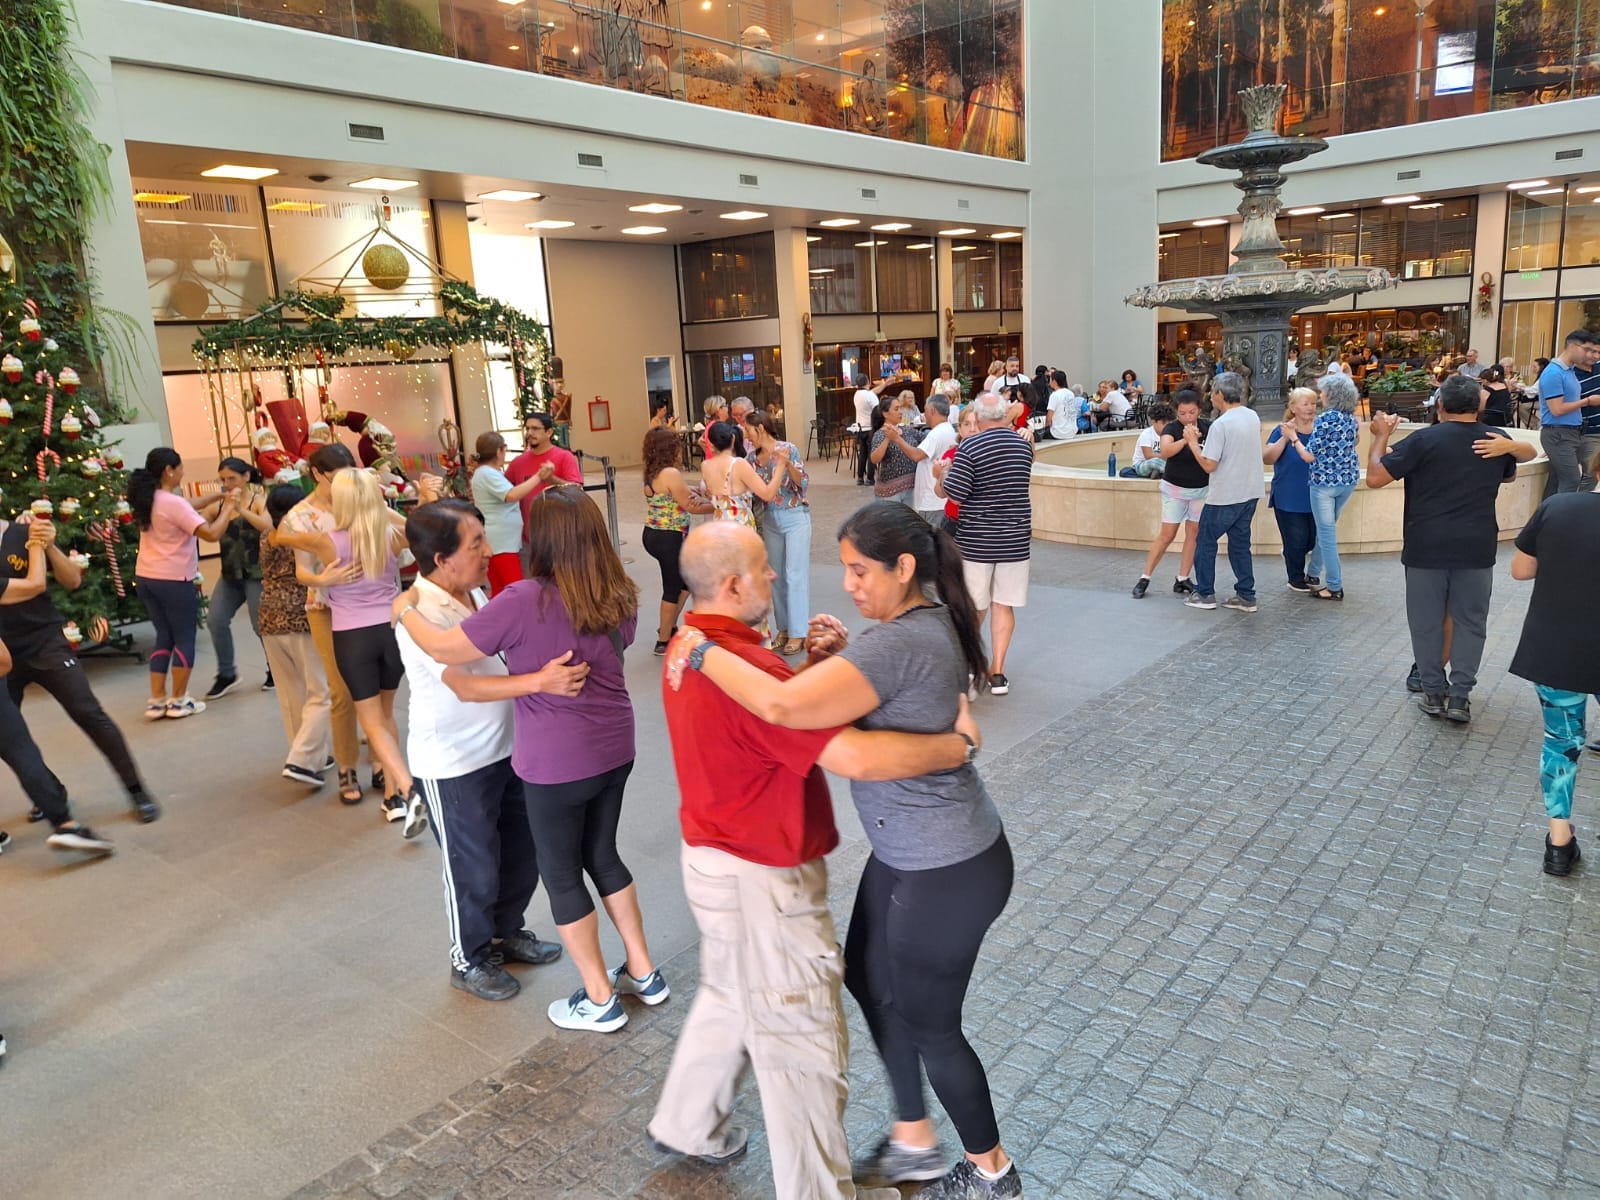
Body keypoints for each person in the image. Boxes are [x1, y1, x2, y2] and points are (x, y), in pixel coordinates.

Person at [665, 502, 1022, 1199]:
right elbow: (836, 698)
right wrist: (819, 664)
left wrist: (699, 650)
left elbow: (796, 717)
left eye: (860, 571)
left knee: (931, 1025)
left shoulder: (893, 642)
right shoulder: (914, 626)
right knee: (868, 976)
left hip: (944, 863)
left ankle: (991, 1171)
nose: (848, 584)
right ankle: (912, 1137)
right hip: (907, 854)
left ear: (904, 568)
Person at [397, 485, 665, 1034]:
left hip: (556, 761)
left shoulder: (522, 598)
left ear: (539, 539)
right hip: (615, 746)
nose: (490, 547)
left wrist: (403, 610)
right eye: (474, 541)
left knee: (561, 873)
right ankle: (644, 972)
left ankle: (599, 999)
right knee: (603, 855)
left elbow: (445, 650)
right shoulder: (617, 591)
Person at [396, 500, 585, 1000]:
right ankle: (470, 958)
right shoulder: (418, 612)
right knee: (473, 867)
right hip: (454, 763)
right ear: (442, 559)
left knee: (521, 854)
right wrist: (541, 681)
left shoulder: (475, 593)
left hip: (506, 751)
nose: (487, 551)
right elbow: (465, 686)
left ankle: (504, 932)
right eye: (475, 543)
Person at [1366, 375, 1538, 725]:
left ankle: (1432, 692)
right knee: (1471, 622)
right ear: (1480, 406)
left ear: (1440, 405)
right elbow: (1510, 473)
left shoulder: (1423, 440)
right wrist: (1509, 448)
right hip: (1476, 545)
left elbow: (1375, 477)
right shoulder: (1496, 439)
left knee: (1426, 621)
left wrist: (1381, 436)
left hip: (1425, 545)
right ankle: (1460, 697)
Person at [276, 468, 427, 835]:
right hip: (391, 633)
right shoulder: (390, 536)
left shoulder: (327, 541)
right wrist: (422, 498)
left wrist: (322, 578)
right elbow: (421, 528)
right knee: (386, 715)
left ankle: (408, 788)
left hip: (353, 638)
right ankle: (392, 798)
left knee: (371, 721)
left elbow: (280, 536)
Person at [0, 513, 158, 824]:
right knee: (6, 736)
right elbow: (33, 585)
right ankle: (48, 793)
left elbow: (72, 580)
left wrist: (49, 545)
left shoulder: (26, 532)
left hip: (45, 642)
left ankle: (136, 789)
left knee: (88, 712)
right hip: (3, 656)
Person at [1508, 448, 1600, 875]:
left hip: (1557, 646)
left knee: (1561, 743)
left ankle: (1559, 845)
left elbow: (1521, 570)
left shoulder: (1557, 507)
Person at [279, 443, 366, 804]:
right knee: (341, 690)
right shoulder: (301, 515)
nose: (345, 484)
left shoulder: (360, 500)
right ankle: (347, 767)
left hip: (369, 604)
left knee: (375, 686)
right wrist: (322, 579)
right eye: (337, 477)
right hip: (325, 607)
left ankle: (381, 763)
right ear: (317, 474)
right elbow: (302, 571)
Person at [128, 447, 239, 720]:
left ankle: (157, 701)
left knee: (164, 636)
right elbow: (211, 534)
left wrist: (219, 496)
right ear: (169, 471)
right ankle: (179, 700)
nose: (183, 472)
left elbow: (189, 504)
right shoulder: (173, 504)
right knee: (184, 638)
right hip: (174, 579)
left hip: (146, 577)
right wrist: (229, 508)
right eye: (180, 468)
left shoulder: (151, 498)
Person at [937, 392, 1033, 697]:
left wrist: (942, 476)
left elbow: (955, 495)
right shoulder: (1023, 446)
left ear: (977, 418)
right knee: (1003, 604)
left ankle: (968, 666)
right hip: (1015, 539)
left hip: (977, 541)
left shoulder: (971, 447)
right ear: (1003, 415)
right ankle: (998, 673)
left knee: (975, 606)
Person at [259, 484, 340, 789]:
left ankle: (308, 753)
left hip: (269, 617)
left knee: (290, 692)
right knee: (321, 691)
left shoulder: (267, 536)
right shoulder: (302, 537)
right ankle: (302, 759)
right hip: (301, 617)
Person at [1184, 372, 1263, 613]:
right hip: (1250, 491)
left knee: (1205, 542)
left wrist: (1192, 443)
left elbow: (1209, 464)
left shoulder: (1221, 424)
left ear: (1219, 393)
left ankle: (1205, 593)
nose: (1210, 395)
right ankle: (1246, 595)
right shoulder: (1251, 416)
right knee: (1240, 544)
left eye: (1212, 391)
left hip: (1225, 494)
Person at [197, 457, 268, 699]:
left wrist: (240, 509)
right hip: (229, 575)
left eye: (232, 478)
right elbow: (200, 525)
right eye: (223, 479)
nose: (227, 484)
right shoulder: (218, 507)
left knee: (261, 625)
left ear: (246, 477)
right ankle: (227, 673)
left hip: (257, 574)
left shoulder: (258, 501)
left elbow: (267, 526)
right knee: (215, 619)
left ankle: (275, 669)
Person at [641, 426, 713, 655]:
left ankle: (669, 625)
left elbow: (675, 493)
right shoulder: (671, 473)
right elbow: (691, 506)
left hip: (653, 533)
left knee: (685, 583)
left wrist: (694, 491)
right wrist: (721, 506)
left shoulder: (652, 471)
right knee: (672, 588)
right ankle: (663, 640)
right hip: (669, 537)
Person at [1131, 389, 1209, 598]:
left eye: (1192, 412)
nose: (1188, 417)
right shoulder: (1172, 428)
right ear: (1176, 412)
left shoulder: (1208, 427)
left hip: (1201, 489)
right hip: (1175, 489)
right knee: (1168, 534)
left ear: (1199, 410)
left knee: (1194, 533)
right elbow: (1165, 452)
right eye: (1182, 413)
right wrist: (1186, 440)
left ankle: (1183, 577)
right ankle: (1145, 577)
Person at [746, 410, 812, 656]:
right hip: (769, 519)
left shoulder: (787, 449)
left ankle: (798, 633)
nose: (747, 437)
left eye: (748, 431)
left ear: (760, 428)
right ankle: (783, 628)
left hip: (795, 517)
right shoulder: (751, 459)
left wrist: (787, 463)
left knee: (795, 575)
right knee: (776, 578)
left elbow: (802, 482)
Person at [1305, 372, 1362, 602]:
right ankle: (1313, 572)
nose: (1321, 396)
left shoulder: (1325, 419)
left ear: (1332, 394)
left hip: (1324, 483)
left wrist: (1293, 438)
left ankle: (1334, 586)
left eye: (1323, 392)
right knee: (1325, 529)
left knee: (1327, 534)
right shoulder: (1351, 419)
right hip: (1347, 480)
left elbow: (1309, 454)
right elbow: (1355, 441)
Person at [469, 432, 544, 595]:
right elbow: (511, 495)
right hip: (500, 543)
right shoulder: (486, 473)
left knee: (501, 589)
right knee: (515, 589)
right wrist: (539, 476)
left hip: (501, 541)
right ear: (498, 451)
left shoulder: (489, 472)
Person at [1262, 388, 1317, 593]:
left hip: (1316, 495)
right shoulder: (1281, 430)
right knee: (1297, 539)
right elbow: (1268, 458)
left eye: (1313, 403)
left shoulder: (1321, 428)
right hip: (1289, 495)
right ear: (1293, 407)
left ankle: (1291, 553)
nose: (1310, 408)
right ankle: (1295, 578)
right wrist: (1286, 437)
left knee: (1312, 539)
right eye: (1305, 403)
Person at [1537, 329, 1600, 494]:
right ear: (1572, 346)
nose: (1589, 355)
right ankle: (1564, 510)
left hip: (1571, 432)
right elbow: (1557, 409)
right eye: (1586, 350)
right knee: (1571, 480)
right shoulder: (1553, 373)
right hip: (1559, 432)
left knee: (1557, 480)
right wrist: (1587, 401)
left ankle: (1550, 509)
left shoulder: (1568, 371)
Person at [506, 411, 584, 538]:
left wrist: (551, 479)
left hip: (559, 536)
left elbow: (578, 491)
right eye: (527, 428)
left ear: (549, 432)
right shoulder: (517, 462)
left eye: (535, 428)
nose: (530, 433)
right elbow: (504, 492)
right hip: (528, 538)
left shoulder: (564, 457)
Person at [870, 395, 927, 506]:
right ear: (885, 414)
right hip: (890, 493)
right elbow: (874, 459)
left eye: (900, 408)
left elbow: (927, 439)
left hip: (910, 488)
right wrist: (888, 439)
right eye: (896, 409)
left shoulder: (907, 430)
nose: (900, 412)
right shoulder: (880, 434)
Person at [912, 395, 958, 527]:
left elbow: (917, 455)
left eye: (925, 411)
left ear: (932, 411)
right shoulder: (949, 429)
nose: (924, 415)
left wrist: (897, 439)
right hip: (938, 499)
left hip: (932, 501)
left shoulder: (936, 433)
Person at [853, 375, 890, 486]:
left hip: (860, 428)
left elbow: (872, 392)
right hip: (870, 427)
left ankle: (860, 477)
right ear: (868, 382)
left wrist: (885, 384)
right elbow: (877, 410)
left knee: (862, 453)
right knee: (871, 454)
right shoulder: (870, 395)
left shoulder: (857, 394)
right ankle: (870, 478)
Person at [1576, 354, 1600, 491]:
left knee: (1592, 473)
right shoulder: (1569, 373)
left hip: (1593, 430)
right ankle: (1579, 500)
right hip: (1584, 429)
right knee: (1591, 472)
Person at [1131, 403, 1173, 478]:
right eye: (1163, 424)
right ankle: (1171, 473)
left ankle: (1159, 472)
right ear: (1154, 422)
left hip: (1163, 461)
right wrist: (1166, 456)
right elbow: (1148, 456)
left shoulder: (1170, 434)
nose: (1167, 427)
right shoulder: (1146, 434)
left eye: (1169, 424)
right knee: (1155, 462)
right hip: (1143, 464)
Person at [1044, 371, 1084, 441]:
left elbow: (1049, 419)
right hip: (1072, 431)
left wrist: (1044, 426)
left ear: (1054, 381)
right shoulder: (1070, 393)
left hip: (1059, 433)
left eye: (1050, 379)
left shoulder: (1054, 395)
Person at [1478, 363, 1514, 428]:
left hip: (1492, 417)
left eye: (1481, 381)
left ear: (1485, 380)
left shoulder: (1486, 391)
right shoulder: (1504, 385)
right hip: (1506, 416)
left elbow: (1481, 409)